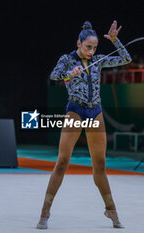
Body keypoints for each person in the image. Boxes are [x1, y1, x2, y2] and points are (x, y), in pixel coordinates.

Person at [37, 20, 131, 229]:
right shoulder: (67, 60)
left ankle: (111, 210)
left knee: (100, 165)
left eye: (95, 47)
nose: (92, 51)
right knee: (62, 162)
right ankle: (44, 213)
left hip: (95, 111)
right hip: (76, 110)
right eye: (88, 46)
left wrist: (116, 41)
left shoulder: (98, 60)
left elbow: (126, 58)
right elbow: (54, 75)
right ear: (78, 43)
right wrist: (70, 74)